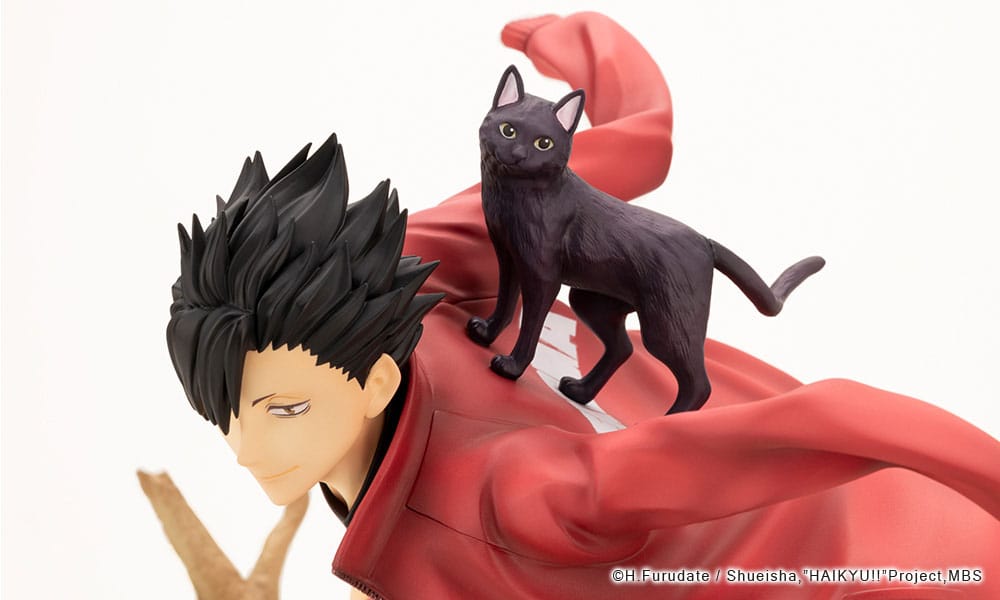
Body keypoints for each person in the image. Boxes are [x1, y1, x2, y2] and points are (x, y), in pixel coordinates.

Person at [166, 12, 1000, 600]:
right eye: (221, 408)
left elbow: (834, 417)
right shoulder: (396, 264)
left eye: (282, 410)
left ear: (377, 381)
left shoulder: (500, 500)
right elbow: (641, 137)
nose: (242, 449)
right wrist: (584, 42)